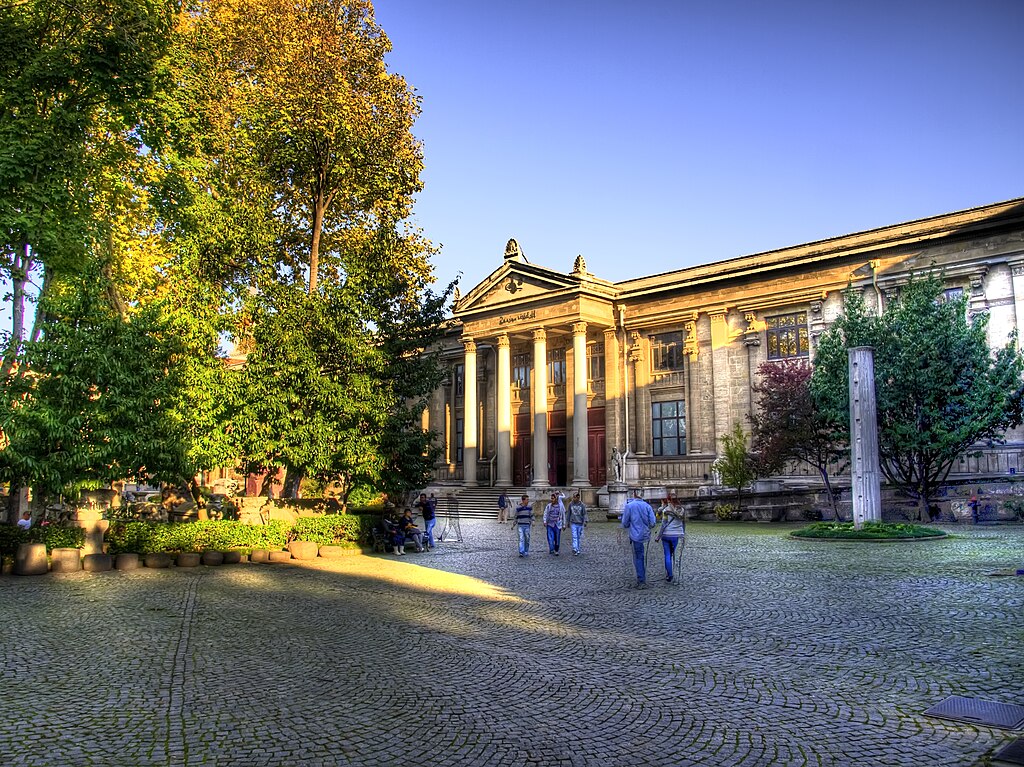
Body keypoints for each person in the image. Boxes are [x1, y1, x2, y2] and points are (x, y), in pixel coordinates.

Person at [620, 488, 656, 588]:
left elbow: (624, 522)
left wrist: (629, 525)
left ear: (634, 494)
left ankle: (641, 579)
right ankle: (641, 577)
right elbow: (653, 522)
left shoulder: (629, 506)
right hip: (645, 534)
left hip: (635, 535)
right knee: (640, 555)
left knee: (638, 556)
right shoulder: (647, 506)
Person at [655, 496, 686, 582]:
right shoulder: (682, 510)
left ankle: (670, 574)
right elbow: (683, 523)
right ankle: (671, 572)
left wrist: (658, 536)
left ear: (669, 500)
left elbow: (663, 525)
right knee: (672, 554)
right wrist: (683, 533)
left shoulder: (666, 511)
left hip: (666, 535)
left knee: (667, 555)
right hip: (676, 535)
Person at [543, 491, 566, 555]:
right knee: (550, 537)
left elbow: (563, 515)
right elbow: (545, 513)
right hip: (550, 523)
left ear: (556, 499)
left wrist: (564, 524)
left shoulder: (560, 506)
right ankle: (551, 548)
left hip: (557, 524)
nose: (552, 500)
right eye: (551, 498)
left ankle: (556, 549)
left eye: (553, 498)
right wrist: (545, 521)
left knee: (557, 538)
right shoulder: (549, 506)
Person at [566, 491, 588, 556]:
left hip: (580, 523)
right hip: (573, 522)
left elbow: (584, 514)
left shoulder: (582, 505)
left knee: (578, 536)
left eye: (575, 497)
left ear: (578, 498)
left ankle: (578, 549)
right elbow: (569, 513)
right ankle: (575, 548)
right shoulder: (571, 504)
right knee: (574, 536)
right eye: (573, 497)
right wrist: (567, 522)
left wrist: (585, 521)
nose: (574, 498)